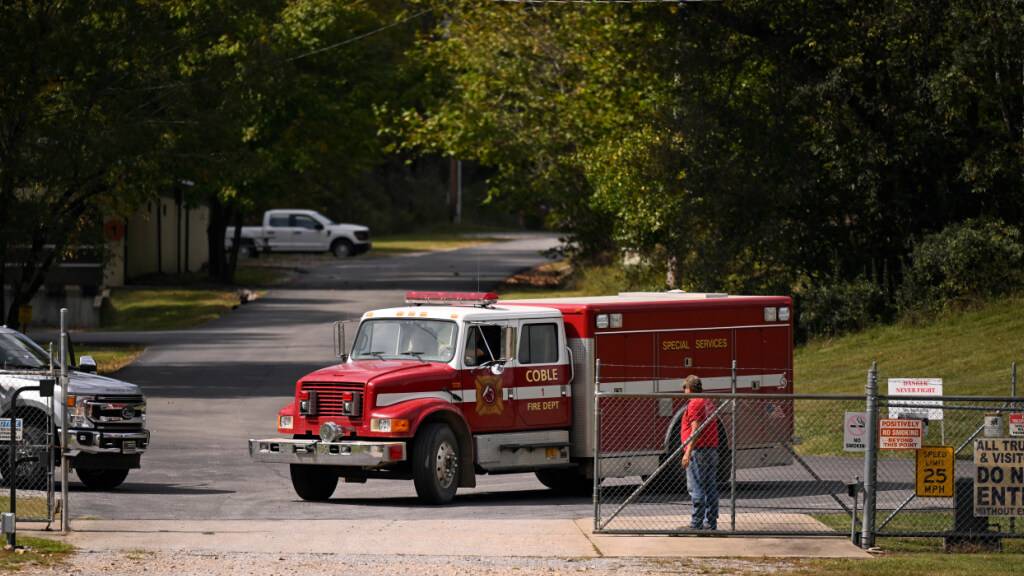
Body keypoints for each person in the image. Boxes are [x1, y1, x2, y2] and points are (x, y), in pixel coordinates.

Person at [681, 374, 719, 530]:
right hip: (711, 449)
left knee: (696, 487)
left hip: (698, 451)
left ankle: (696, 523)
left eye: (684, 388)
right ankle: (711, 522)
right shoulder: (707, 401)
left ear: (689, 388)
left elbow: (695, 429)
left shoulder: (695, 403)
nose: (684, 392)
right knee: (710, 487)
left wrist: (687, 452)